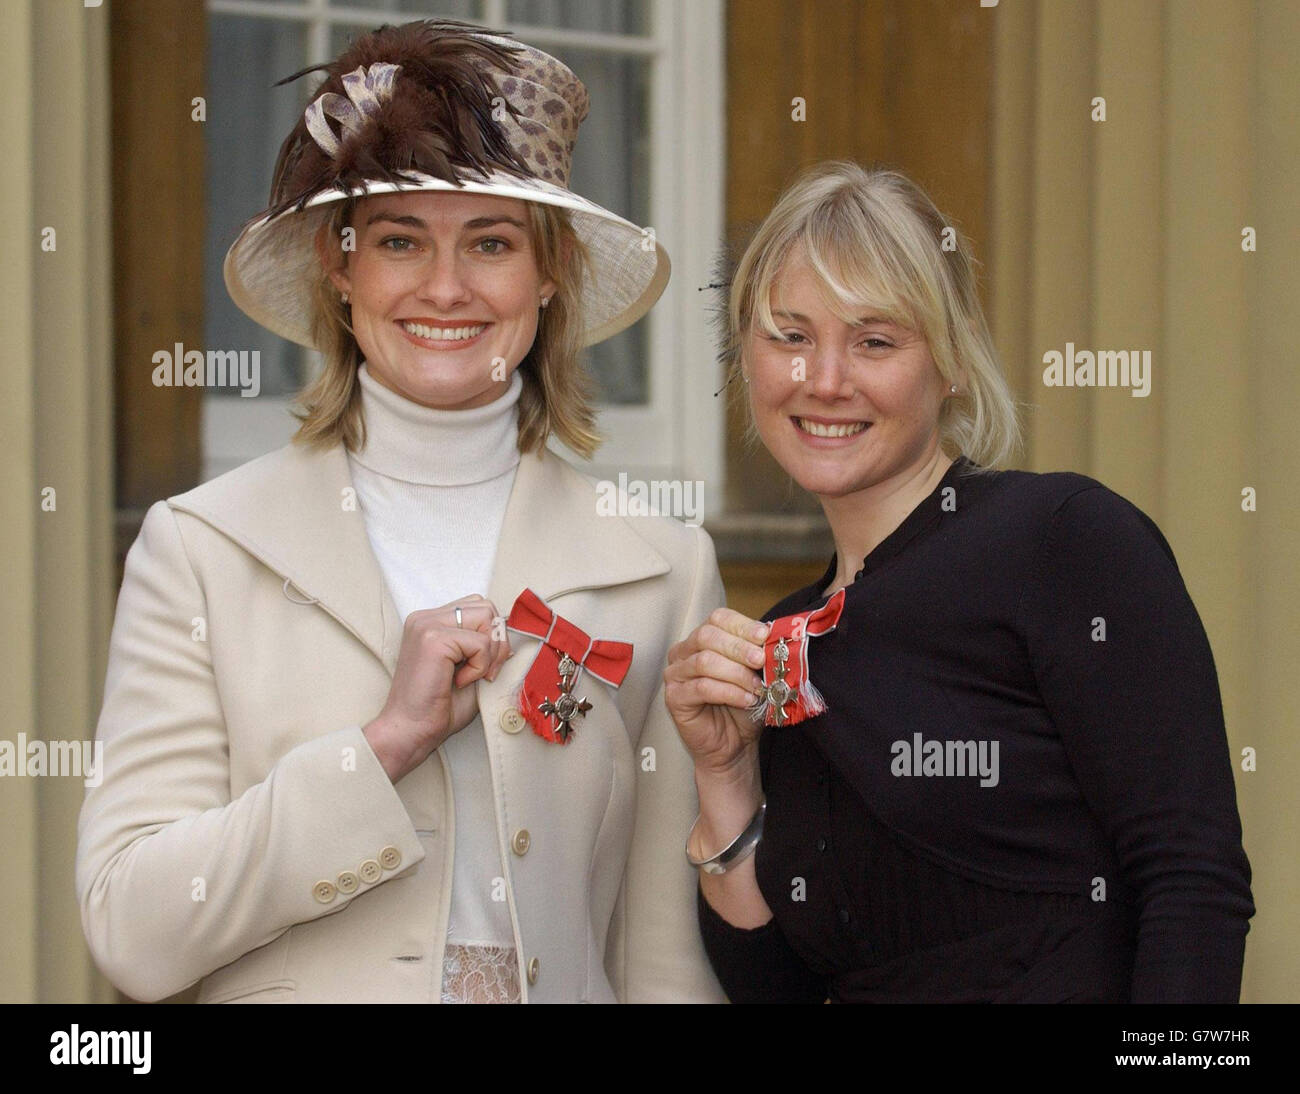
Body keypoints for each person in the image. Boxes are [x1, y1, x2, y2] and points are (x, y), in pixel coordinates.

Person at [76, 19, 724, 1004]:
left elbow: (661, 957)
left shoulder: (664, 567)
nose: (446, 287)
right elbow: (131, 927)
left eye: (492, 242)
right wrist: (382, 745)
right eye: (398, 240)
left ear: (547, 274)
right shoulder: (201, 549)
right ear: (340, 272)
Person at [664, 160, 1254, 1003]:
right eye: (789, 336)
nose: (824, 379)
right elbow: (777, 988)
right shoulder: (788, 639)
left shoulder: (1064, 541)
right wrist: (724, 777)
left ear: (951, 364)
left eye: (874, 340)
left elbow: (1194, 881)